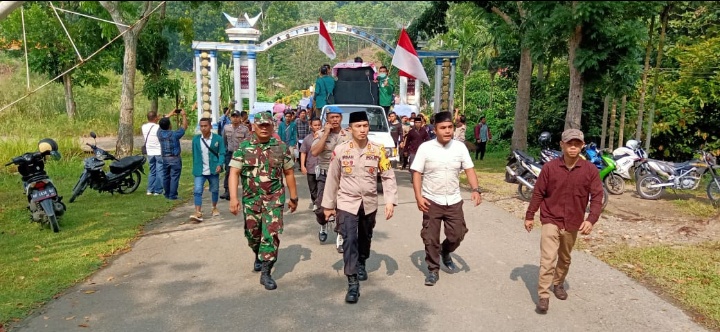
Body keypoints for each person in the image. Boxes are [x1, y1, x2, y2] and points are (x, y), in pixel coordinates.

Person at [322, 111, 398, 303]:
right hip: (347, 201)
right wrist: (328, 205)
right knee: (349, 239)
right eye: (358, 126)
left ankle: (362, 260)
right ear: (351, 128)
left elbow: (388, 176)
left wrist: (390, 200)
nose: (362, 130)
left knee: (365, 236)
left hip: (369, 203)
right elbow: (332, 178)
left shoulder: (378, 150)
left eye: (365, 126)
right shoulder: (341, 150)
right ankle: (352, 282)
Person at [524, 128, 603, 314]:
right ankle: (543, 296)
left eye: (577, 144)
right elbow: (538, 193)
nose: (573, 147)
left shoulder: (590, 170)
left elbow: (597, 197)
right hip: (551, 219)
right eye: (569, 143)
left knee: (565, 258)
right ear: (562, 145)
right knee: (548, 259)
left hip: (573, 222)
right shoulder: (550, 168)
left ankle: (558, 283)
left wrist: (591, 220)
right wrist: (530, 215)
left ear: (582, 146)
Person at [410, 111, 483, 286]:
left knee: (458, 234)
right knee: (430, 237)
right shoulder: (425, 148)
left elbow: (469, 169)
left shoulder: (460, 147)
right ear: (435, 129)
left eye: (450, 127)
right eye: (443, 128)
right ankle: (433, 270)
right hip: (431, 200)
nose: (448, 131)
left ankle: (445, 251)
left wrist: (475, 189)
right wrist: (418, 197)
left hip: (453, 200)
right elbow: (417, 173)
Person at [228, 112, 299, 291]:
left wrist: (294, 197)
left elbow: (289, 173)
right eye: (261, 125)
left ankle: (266, 272)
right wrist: (234, 198)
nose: (264, 128)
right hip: (251, 199)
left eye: (267, 125)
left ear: (272, 126)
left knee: (271, 233)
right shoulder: (243, 148)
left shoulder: (281, 148)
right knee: (252, 233)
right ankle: (258, 252)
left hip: (274, 198)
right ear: (254, 127)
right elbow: (234, 173)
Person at [311, 106, 351, 248]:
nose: (335, 119)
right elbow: (315, 152)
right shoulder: (320, 133)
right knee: (321, 208)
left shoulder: (348, 134)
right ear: (327, 119)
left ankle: (340, 235)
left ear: (341, 118)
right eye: (332, 117)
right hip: (325, 176)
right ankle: (323, 224)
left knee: (343, 209)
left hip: (344, 177)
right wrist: (326, 133)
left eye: (337, 117)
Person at [189, 118, 226, 223]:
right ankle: (198, 212)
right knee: (197, 190)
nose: (203, 128)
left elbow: (222, 153)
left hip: (213, 169)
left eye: (205, 126)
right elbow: (194, 154)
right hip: (199, 170)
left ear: (210, 126)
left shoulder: (218, 139)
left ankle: (214, 207)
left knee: (214, 189)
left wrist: (220, 164)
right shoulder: (196, 140)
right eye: (201, 126)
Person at [157, 107, 188, 200]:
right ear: (169, 125)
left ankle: (167, 194)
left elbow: (162, 123)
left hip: (165, 158)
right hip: (175, 158)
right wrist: (184, 115)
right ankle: (173, 195)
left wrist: (170, 114)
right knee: (174, 177)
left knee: (166, 176)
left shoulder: (159, 133)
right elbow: (184, 127)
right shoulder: (174, 134)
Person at [221, 110, 251, 200]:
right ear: (230, 118)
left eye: (237, 116)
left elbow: (247, 142)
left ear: (240, 118)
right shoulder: (226, 128)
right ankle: (227, 191)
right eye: (233, 116)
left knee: (244, 173)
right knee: (228, 172)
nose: (235, 118)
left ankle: (247, 190)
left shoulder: (244, 129)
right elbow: (224, 140)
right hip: (230, 154)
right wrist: (225, 151)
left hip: (241, 154)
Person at [300, 118, 322, 210]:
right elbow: (303, 152)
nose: (317, 127)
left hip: (323, 167)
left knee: (321, 186)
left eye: (319, 125)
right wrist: (302, 166)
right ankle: (315, 202)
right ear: (311, 126)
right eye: (315, 125)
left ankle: (321, 203)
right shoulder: (307, 139)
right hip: (311, 166)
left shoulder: (325, 137)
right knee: (312, 187)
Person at [141, 111, 163, 196]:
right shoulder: (158, 127)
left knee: (152, 171)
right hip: (158, 151)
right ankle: (158, 190)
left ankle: (150, 189)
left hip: (149, 152)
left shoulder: (144, 127)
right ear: (155, 118)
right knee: (160, 171)